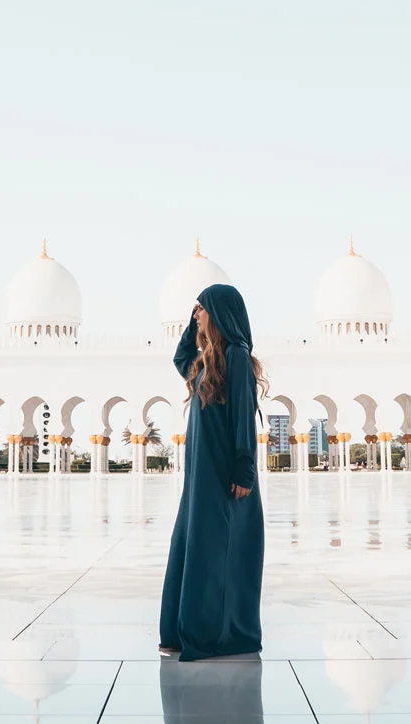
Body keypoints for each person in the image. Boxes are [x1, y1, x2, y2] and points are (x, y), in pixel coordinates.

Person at [159, 283, 267, 661]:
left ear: (219, 314)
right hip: (199, 475)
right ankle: (179, 631)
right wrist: (191, 328)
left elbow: (242, 417)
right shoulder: (207, 362)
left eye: (202, 309)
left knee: (215, 550)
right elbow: (180, 358)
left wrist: (244, 468)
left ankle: (213, 633)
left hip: (222, 473)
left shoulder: (237, 357)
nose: (197, 315)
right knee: (192, 546)